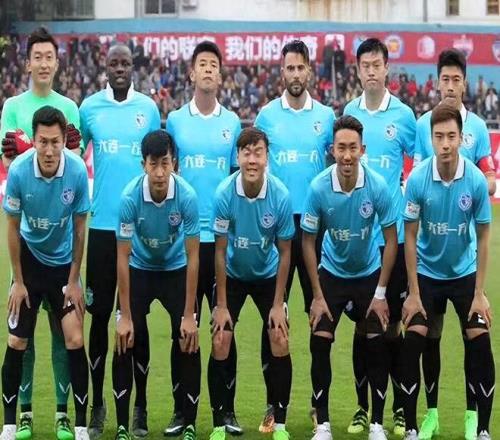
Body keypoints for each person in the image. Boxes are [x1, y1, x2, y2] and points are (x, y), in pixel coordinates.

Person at [0, 27, 83, 440]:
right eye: (38, 56)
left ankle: (66, 415)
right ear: (28, 62)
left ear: (57, 61)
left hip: (62, 248)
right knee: (22, 337)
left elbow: (73, 159)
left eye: (50, 56)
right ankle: (23, 414)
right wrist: (22, 151)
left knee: (64, 333)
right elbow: (9, 157)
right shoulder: (13, 105)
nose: (44, 62)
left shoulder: (70, 106)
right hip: (28, 241)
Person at [412, 49, 496, 440]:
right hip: (429, 262)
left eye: (456, 79)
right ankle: (429, 415)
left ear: (464, 83)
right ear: (437, 82)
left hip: (464, 262)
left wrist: (476, 180)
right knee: (428, 335)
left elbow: (488, 178)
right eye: (444, 79)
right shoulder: (424, 124)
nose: (449, 85)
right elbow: (418, 174)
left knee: (474, 338)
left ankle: (472, 418)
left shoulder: (477, 128)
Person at [79, 43, 161, 439]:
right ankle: (97, 406)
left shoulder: (149, 110)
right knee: (98, 321)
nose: (120, 69)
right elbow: (74, 156)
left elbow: (158, 164)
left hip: (139, 232)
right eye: (114, 63)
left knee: (136, 319)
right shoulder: (89, 108)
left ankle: (140, 407)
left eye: (126, 63)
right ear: (105, 66)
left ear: (134, 67)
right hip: (101, 232)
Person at [254, 39, 335, 431]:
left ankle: (320, 406)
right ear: (282, 72)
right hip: (278, 229)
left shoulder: (327, 117)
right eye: (290, 68)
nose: (296, 74)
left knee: (319, 317)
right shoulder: (266, 116)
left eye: (301, 67)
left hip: (317, 230)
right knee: (274, 316)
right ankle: (273, 404)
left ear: (310, 71)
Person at [302, 115, 398, 440]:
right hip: (332, 274)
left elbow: (392, 239)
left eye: (352, 148)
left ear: (362, 150)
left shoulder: (377, 187)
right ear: (332, 150)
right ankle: (323, 425)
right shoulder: (319, 188)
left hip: (368, 273)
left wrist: (381, 293)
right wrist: (317, 295)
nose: (346, 155)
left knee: (376, 343)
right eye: (341, 148)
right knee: (319, 341)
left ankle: (376, 424)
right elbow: (307, 242)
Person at [166, 40, 242, 436]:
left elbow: (236, 181)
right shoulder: (176, 121)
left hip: (222, 242)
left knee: (223, 328)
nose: (209, 69)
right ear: (192, 73)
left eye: (214, 64)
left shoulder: (233, 123)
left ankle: (225, 412)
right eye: (202, 64)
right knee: (185, 328)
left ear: (221, 75)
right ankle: (183, 412)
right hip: (186, 242)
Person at [343, 37, 416, 436]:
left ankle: (400, 410)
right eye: (365, 65)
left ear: (387, 68)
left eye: (377, 65)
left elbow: (418, 165)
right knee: (362, 327)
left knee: (392, 327)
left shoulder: (404, 116)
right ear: (358, 71)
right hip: (360, 243)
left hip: (394, 241)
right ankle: (362, 408)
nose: (371, 71)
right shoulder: (349, 114)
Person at [111, 130, 201, 440]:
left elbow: (193, 256)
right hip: (140, 268)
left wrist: (189, 315)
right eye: (153, 164)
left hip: (175, 269)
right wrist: (124, 315)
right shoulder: (129, 198)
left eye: (165, 163)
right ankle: (126, 422)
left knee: (188, 338)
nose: (160, 172)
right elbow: (122, 256)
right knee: (124, 338)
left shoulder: (187, 197)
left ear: (174, 164)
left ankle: (188, 421)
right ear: (143, 165)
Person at [208, 127, 294, 440]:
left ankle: (279, 424)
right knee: (220, 338)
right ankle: (219, 424)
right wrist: (220, 305)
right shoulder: (224, 194)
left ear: (267, 157)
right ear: (238, 157)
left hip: (267, 275)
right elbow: (219, 251)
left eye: (258, 153)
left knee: (279, 336)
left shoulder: (280, 196)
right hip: (232, 274)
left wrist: (278, 303)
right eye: (246, 153)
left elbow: (285, 252)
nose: (252, 160)